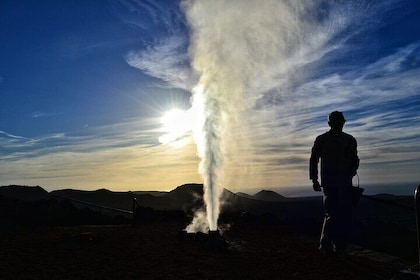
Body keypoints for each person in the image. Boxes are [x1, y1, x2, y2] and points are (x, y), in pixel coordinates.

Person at [309, 111, 359, 254]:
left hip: (343, 183)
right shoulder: (322, 140)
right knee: (332, 214)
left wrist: (352, 170)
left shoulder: (349, 140)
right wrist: (314, 179)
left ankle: (338, 245)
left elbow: (355, 159)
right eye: (337, 123)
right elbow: (314, 160)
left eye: (340, 123)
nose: (339, 126)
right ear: (330, 124)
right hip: (331, 183)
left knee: (341, 215)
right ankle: (327, 244)